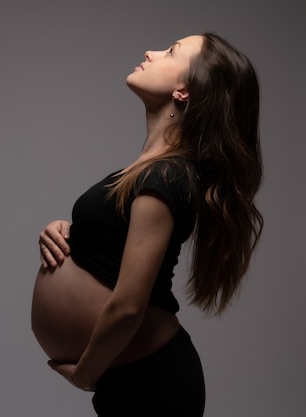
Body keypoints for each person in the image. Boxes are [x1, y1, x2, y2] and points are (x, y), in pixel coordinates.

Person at [31, 32, 263, 417]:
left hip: (151, 385)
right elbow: (115, 241)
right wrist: (67, 232)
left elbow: (127, 308)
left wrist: (86, 374)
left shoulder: (167, 177)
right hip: (132, 379)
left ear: (185, 91)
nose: (151, 52)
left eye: (171, 51)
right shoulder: (150, 171)